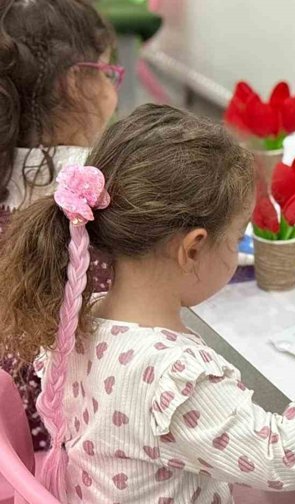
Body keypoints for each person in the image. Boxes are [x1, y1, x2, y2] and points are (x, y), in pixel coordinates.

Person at [0, 104, 295, 503]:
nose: (236, 251)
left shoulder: (79, 315)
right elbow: (282, 458)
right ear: (193, 249)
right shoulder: (173, 377)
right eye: (235, 239)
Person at [0, 0, 120, 451]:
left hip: (10, 447)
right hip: (75, 446)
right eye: (109, 72)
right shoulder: (96, 201)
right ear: (77, 82)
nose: (113, 87)